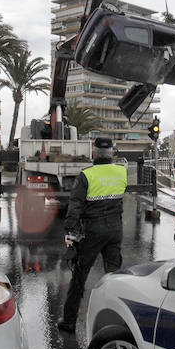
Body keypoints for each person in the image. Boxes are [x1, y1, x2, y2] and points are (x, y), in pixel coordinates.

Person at [57, 137, 127, 333]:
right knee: (114, 275)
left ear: (94, 153)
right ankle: (119, 321)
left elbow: (75, 204)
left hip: (92, 230)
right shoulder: (122, 171)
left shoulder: (87, 175)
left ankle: (69, 321)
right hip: (115, 229)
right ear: (112, 153)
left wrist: (70, 231)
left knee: (79, 275)